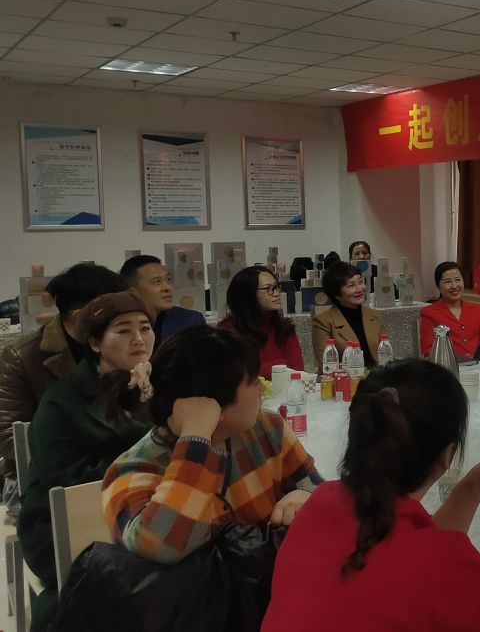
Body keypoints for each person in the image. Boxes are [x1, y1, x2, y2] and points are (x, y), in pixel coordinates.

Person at [262, 360, 480, 631]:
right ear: (447, 454)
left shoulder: (320, 503)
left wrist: (470, 489)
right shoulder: (439, 564)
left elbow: (412, 554)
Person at [102, 325, 322, 565]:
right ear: (213, 404)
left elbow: (322, 493)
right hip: (196, 589)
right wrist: (196, 437)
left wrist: (305, 495)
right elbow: (164, 548)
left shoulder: (268, 428)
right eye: (253, 382)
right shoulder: (131, 470)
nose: (261, 389)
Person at [18, 291, 156, 631]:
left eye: (145, 327)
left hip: (147, 509)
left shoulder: (162, 387)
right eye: (123, 330)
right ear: (95, 343)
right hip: (64, 523)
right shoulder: (61, 401)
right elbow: (65, 480)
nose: (139, 339)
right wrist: (151, 444)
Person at [0, 263, 128, 479]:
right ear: (79, 316)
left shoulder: (127, 345)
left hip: (123, 465)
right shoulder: (23, 357)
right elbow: (9, 436)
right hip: (50, 474)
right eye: (112, 312)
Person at [218, 266, 303, 378]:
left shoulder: (284, 327)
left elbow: (297, 371)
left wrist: (261, 370)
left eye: (276, 287)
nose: (276, 293)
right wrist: (280, 365)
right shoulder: (228, 329)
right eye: (268, 288)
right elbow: (234, 374)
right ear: (248, 294)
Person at [121, 255, 206, 350]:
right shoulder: (118, 325)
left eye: (168, 280)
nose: (167, 287)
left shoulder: (189, 322)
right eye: (157, 281)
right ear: (132, 291)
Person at [312, 261, 382, 367]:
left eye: (360, 282)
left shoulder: (374, 315)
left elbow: (385, 356)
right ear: (337, 294)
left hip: (378, 374)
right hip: (346, 376)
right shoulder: (323, 322)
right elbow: (326, 366)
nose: (360, 289)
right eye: (351, 285)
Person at [419, 261, 480, 360]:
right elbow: (428, 350)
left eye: (458, 280)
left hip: (479, 365)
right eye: (448, 282)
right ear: (438, 286)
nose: (454, 286)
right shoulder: (429, 313)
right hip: (448, 366)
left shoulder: (478, 310)